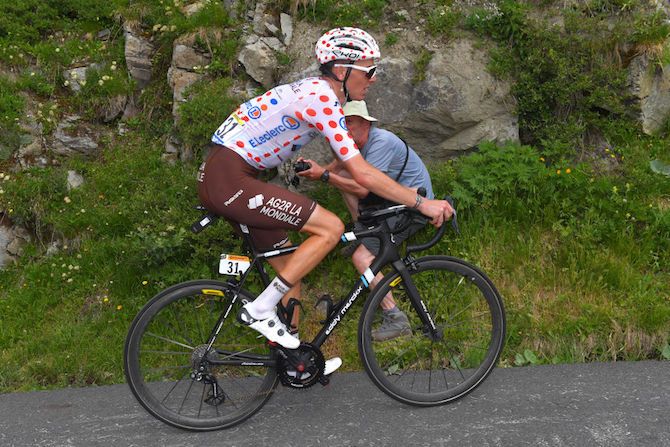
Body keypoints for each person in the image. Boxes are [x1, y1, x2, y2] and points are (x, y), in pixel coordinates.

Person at [197, 27, 453, 377]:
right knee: (331, 228)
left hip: (227, 175)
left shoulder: (316, 95)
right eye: (369, 70)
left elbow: (348, 166)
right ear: (342, 71)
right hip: (231, 177)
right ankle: (260, 309)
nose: (373, 79)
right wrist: (421, 203)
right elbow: (362, 174)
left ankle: (295, 363)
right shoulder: (321, 97)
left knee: (291, 271)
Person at [296, 100, 434, 341]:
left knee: (361, 258)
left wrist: (326, 175)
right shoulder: (357, 145)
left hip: (412, 207)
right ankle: (365, 231)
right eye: (342, 123)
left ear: (365, 124)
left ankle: (395, 318)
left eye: (349, 122)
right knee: (343, 175)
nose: (345, 129)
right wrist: (316, 171)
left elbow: (363, 189)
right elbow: (338, 166)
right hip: (392, 203)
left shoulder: (381, 142)